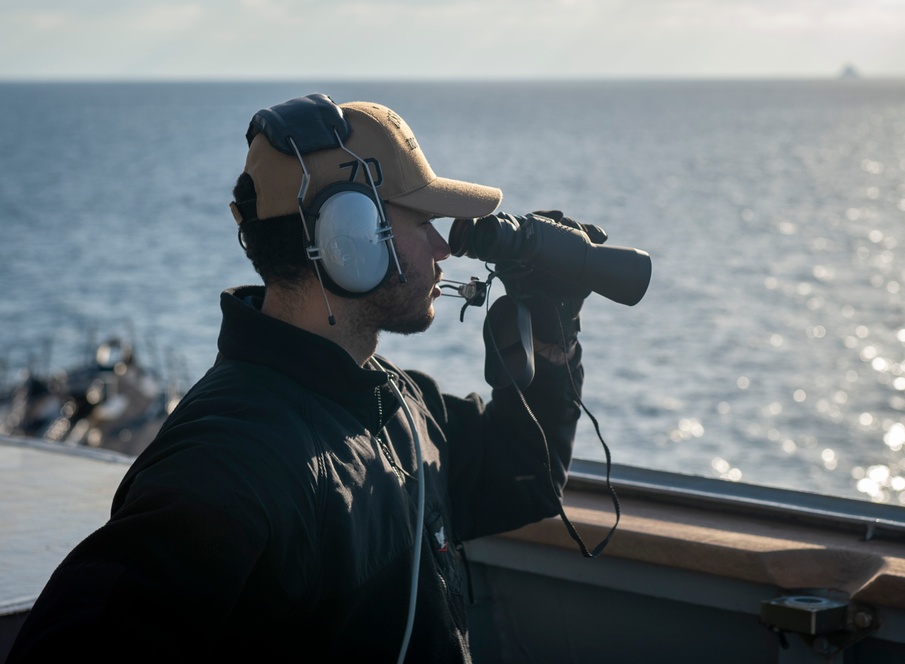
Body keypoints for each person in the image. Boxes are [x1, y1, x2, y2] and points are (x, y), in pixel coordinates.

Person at [7, 94, 589, 662]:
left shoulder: (397, 403)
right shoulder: (231, 458)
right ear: (351, 237)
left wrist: (553, 340)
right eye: (424, 220)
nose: (442, 247)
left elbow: (522, 477)